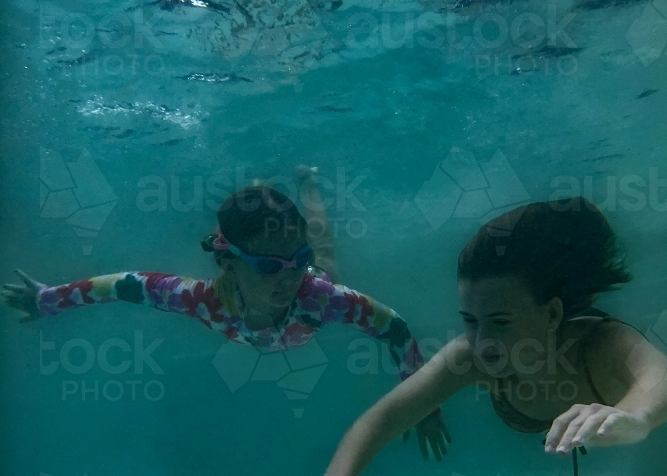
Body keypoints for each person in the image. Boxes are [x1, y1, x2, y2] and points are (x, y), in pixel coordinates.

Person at [271, 198, 667, 476]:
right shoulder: (471, 357)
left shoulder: (597, 343)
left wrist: (636, 417)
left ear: (550, 314)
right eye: (470, 321)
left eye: (500, 321)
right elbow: (388, 415)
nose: (482, 340)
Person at [3, 166, 449, 459]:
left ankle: (307, 183)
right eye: (271, 266)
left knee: (324, 256)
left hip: (314, 297)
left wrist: (422, 403)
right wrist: (48, 300)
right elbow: (121, 285)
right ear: (228, 262)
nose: (289, 276)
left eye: (296, 259)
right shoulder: (199, 299)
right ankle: (279, 193)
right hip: (263, 318)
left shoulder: (319, 296)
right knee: (319, 255)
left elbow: (396, 328)